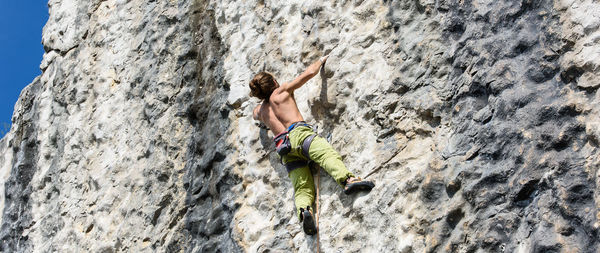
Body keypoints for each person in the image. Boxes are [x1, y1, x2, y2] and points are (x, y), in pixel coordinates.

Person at [248, 55, 375, 235]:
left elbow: (254, 114)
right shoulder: (281, 92)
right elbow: (308, 74)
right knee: (326, 155)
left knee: (302, 187)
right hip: (299, 134)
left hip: (284, 148)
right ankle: (348, 180)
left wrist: (261, 113)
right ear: (274, 82)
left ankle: (305, 211)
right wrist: (321, 60)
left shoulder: (261, 110)